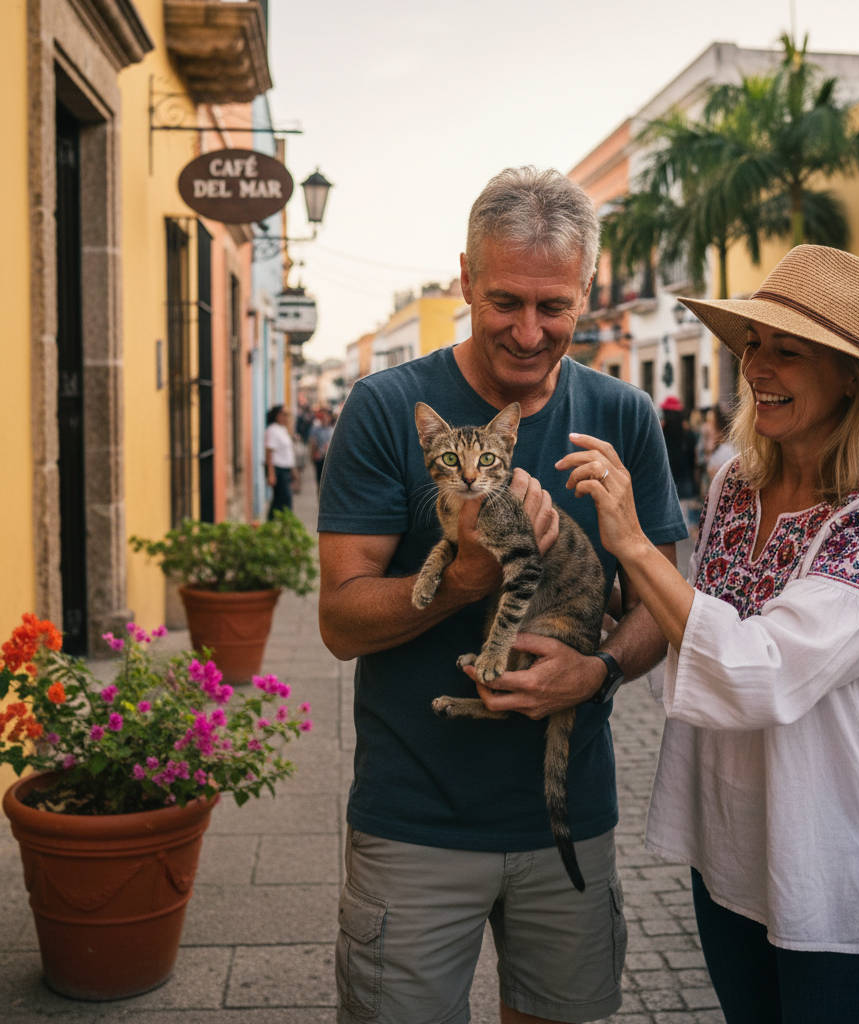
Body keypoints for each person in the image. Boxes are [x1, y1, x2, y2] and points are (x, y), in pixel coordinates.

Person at [317, 166, 687, 1024]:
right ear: (465, 281)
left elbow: (660, 607)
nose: (529, 331)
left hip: (570, 814)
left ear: (587, 293)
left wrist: (595, 673)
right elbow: (338, 621)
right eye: (506, 301)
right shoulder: (386, 408)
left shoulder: (625, 416)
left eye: (554, 306)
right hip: (413, 823)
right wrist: (464, 579)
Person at [556, 244, 859, 1023]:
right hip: (733, 848)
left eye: (789, 351)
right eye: (753, 345)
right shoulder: (741, 479)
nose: (756, 365)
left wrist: (634, 543)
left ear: (852, 379)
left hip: (834, 862)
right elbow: (703, 615)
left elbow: (760, 672)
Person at [660, 395, 698, 503]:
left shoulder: (660, 433)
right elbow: (693, 460)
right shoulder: (688, 434)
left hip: (666, 480)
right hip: (685, 478)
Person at [264, 404, 296, 520]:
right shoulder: (272, 430)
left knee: (279, 500)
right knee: (285, 500)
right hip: (278, 470)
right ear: (278, 416)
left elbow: (288, 452)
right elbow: (269, 453)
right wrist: (271, 474)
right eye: (285, 414)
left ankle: (273, 524)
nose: (287, 417)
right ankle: (285, 524)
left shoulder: (283, 429)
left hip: (286, 470)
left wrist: (293, 470)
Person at [309, 407, 337, 492]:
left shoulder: (333, 429)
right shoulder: (315, 429)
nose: (324, 418)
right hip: (319, 459)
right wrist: (312, 457)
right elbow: (313, 444)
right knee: (320, 481)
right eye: (322, 416)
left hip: (330, 459)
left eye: (326, 416)